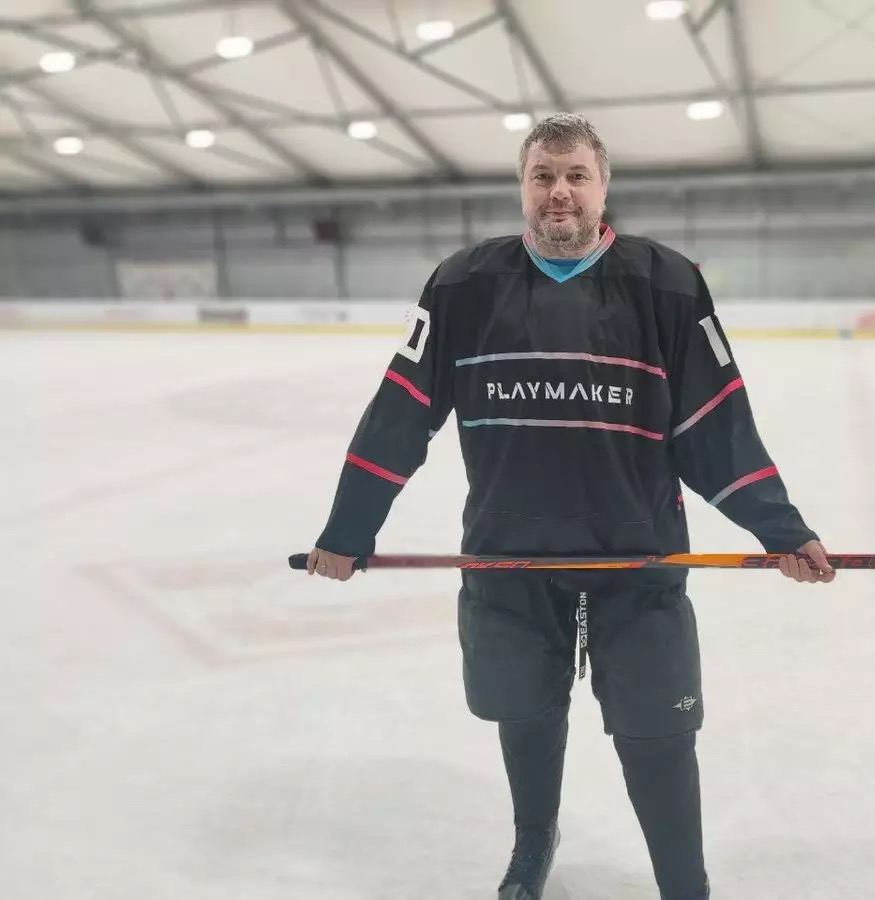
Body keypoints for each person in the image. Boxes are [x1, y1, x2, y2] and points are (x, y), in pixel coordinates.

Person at [306, 113, 835, 900]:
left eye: (576, 175)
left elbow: (715, 425)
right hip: (508, 556)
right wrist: (350, 528)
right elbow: (401, 412)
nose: (559, 191)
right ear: (522, 187)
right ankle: (533, 842)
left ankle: (683, 884)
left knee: (658, 729)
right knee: (524, 711)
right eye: (543, 176)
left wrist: (780, 529)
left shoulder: (667, 284)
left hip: (639, 557)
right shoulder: (462, 285)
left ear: (603, 186)